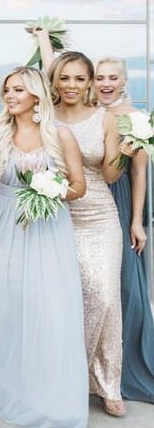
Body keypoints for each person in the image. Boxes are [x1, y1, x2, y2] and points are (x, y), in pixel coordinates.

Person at [0, 66, 89, 427]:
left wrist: (52, 189)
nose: (10, 96)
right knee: (6, 310)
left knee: (48, 311)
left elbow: (79, 186)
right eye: (7, 90)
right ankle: (6, 389)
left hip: (47, 229)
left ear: (36, 95)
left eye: (18, 89)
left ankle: (48, 396)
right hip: (4, 227)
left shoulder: (60, 135)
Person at [45, 49, 127, 416]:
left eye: (80, 78)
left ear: (90, 81)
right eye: (65, 78)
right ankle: (66, 380)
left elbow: (110, 175)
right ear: (54, 81)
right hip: (54, 217)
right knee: (62, 304)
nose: (72, 85)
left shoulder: (105, 119)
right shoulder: (44, 117)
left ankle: (108, 383)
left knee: (105, 299)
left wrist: (125, 152)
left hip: (98, 217)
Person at [92, 56, 154, 404]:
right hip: (85, 199)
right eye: (100, 77)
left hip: (119, 199)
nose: (106, 83)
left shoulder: (137, 118)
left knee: (125, 285)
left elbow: (139, 172)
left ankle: (126, 366)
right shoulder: (87, 112)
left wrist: (136, 222)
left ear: (124, 81)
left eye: (113, 77)